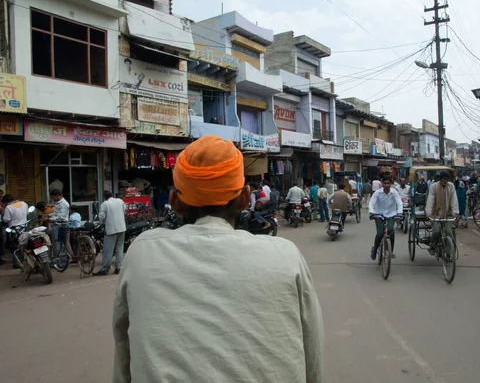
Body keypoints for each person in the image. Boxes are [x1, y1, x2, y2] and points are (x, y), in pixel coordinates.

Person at [111, 135, 323, 382]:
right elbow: (312, 353)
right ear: (245, 198)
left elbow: (123, 349)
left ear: (175, 203)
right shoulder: (286, 255)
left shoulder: (142, 253)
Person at [369, 176, 403, 260]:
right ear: (382, 184)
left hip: (391, 215)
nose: (387, 185)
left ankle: (390, 251)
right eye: (385, 183)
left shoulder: (394, 192)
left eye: (388, 183)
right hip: (379, 215)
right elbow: (371, 202)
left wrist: (399, 213)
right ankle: (375, 249)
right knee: (380, 234)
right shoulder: (377, 192)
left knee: (391, 231)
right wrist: (372, 212)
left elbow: (399, 203)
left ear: (391, 184)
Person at [425, 171, 459, 254]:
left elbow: (454, 200)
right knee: (436, 231)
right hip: (436, 215)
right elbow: (430, 200)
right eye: (443, 178)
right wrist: (428, 213)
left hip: (448, 214)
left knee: (449, 232)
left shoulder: (451, 186)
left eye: (447, 179)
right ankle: (432, 246)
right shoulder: (433, 186)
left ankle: (448, 252)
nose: (445, 180)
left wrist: (455, 213)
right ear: (440, 179)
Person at [94, 191, 126, 276]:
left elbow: (101, 216)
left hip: (111, 229)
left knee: (108, 249)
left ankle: (105, 268)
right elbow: (125, 210)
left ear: (104, 197)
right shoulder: (120, 201)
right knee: (119, 248)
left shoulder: (105, 204)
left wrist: (101, 222)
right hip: (122, 227)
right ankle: (119, 267)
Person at [44, 189, 70, 257]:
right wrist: (48, 215)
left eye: (53, 197)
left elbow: (61, 217)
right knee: (56, 244)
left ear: (58, 195)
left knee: (59, 244)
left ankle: (61, 261)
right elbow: (56, 213)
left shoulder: (63, 204)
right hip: (56, 225)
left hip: (61, 225)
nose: (52, 199)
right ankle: (58, 260)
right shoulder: (58, 203)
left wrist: (49, 219)